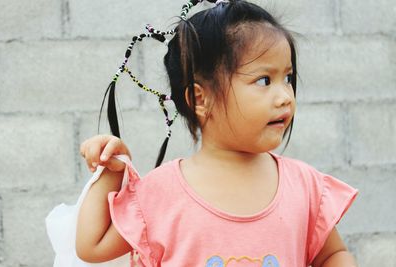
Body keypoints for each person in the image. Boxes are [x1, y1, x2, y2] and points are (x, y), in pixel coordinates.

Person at [76, 0, 358, 266]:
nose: (285, 96)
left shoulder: (303, 185)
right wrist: (112, 171)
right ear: (199, 99)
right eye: (264, 80)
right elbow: (92, 245)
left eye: (287, 78)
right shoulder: (160, 192)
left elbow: (333, 254)